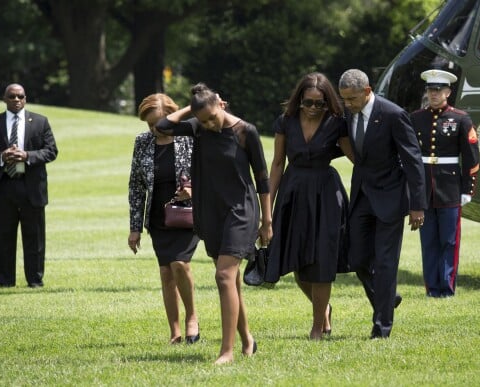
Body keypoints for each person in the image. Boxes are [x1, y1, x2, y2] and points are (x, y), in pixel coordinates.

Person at [156, 83, 272, 365]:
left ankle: (227, 352)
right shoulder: (197, 127)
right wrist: (194, 107)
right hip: (211, 211)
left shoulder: (246, 132)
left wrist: (267, 220)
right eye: (203, 120)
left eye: (212, 117)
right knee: (229, 280)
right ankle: (247, 340)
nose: (209, 124)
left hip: (241, 210)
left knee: (222, 276)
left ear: (222, 105)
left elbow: (262, 178)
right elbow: (163, 125)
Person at [264, 72, 354, 340]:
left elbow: (356, 158)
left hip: (326, 194)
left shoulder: (338, 123)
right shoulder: (285, 122)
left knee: (322, 262)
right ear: (299, 100)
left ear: (328, 102)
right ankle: (323, 309)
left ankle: (317, 326)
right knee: (298, 264)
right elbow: (278, 164)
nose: (313, 108)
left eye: (319, 103)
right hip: (293, 192)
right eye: (308, 102)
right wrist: (267, 207)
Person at [338, 69, 427, 339]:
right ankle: (386, 296)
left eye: (352, 99)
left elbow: (413, 160)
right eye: (344, 99)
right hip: (362, 196)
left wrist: (417, 205)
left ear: (367, 91)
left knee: (386, 263)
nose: (348, 104)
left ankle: (382, 327)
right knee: (356, 257)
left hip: (391, 197)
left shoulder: (393, 115)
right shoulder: (348, 114)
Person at [128, 93, 201, 344]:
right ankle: (175, 331)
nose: (156, 129)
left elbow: (208, 172)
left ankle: (192, 318)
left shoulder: (189, 138)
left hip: (188, 214)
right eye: (150, 124)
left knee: (180, 264)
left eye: (160, 122)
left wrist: (193, 189)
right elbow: (136, 187)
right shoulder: (143, 142)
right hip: (158, 217)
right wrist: (135, 228)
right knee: (166, 273)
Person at [0, 83, 58, 288]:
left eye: (20, 96)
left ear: (25, 98)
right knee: (3, 237)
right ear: (4, 99)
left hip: (31, 187)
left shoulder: (40, 122)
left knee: (35, 237)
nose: (16, 100)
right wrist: (2, 157)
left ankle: (35, 280)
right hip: (4, 188)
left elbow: (51, 151)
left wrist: (27, 155)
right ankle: (4, 281)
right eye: (12, 96)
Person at [410, 70, 479, 298]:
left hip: (449, 187)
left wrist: (468, 188)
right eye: (430, 90)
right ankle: (432, 289)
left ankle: (447, 289)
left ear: (448, 92)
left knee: (449, 241)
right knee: (428, 241)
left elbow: (470, 157)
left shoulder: (461, 118)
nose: (433, 94)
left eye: (438, 90)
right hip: (424, 188)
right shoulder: (416, 117)